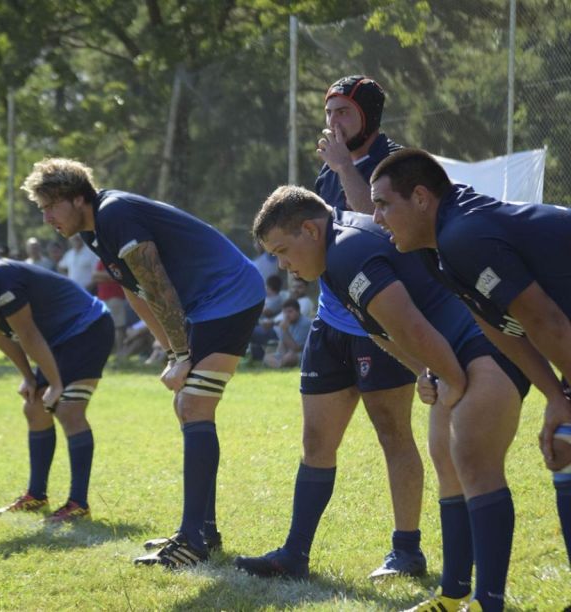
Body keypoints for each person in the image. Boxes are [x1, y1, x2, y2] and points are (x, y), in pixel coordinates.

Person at [239, 185, 529, 612]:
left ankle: (488, 602)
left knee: (469, 457)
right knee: (446, 458)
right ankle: (452, 596)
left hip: (487, 340)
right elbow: (382, 332)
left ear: (309, 230)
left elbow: (410, 326)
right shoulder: (331, 259)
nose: (282, 265)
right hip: (454, 350)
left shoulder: (347, 253)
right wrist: (426, 373)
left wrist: (447, 376)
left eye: (283, 250)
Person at [21, 158, 265, 568]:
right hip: (208, 302)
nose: (45, 217)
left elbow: (158, 285)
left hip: (229, 292)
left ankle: (193, 541)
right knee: (185, 405)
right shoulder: (94, 230)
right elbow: (137, 293)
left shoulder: (114, 213)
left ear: (79, 197)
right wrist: (172, 352)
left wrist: (184, 354)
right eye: (41, 208)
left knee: (193, 404)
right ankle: (201, 531)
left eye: (50, 205)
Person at [254, 74, 429, 578]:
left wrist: (345, 165)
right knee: (316, 442)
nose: (333, 122)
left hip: (379, 322)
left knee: (393, 434)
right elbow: (313, 241)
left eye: (344, 113)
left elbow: (366, 223)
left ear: (368, 117)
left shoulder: (396, 165)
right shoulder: (330, 168)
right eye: (329, 112)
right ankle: (294, 554)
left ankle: (407, 550)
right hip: (331, 321)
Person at [370, 149, 571, 578]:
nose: (377, 218)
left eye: (383, 204)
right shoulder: (436, 247)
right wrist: (556, 397)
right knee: (564, 449)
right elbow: (502, 329)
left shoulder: (462, 235)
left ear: (421, 198)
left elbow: (546, 320)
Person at [0, 230, 114, 523]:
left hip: (87, 327)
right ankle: (36, 496)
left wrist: (56, 384)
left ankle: (78, 503)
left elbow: (27, 333)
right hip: (57, 340)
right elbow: (1, 336)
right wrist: (28, 377)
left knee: (68, 408)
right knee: (34, 407)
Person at [263, 298, 311, 369]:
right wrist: (280, 355)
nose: (287, 315)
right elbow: (282, 345)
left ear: (298, 311)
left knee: (290, 356)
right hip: (287, 353)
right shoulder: (286, 322)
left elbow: (296, 348)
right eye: (285, 312)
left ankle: (277, 364)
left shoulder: (305, 323)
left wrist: (285, 330)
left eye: (290, 312)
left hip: (302, 354)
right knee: (266, 357)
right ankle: (280, 364)